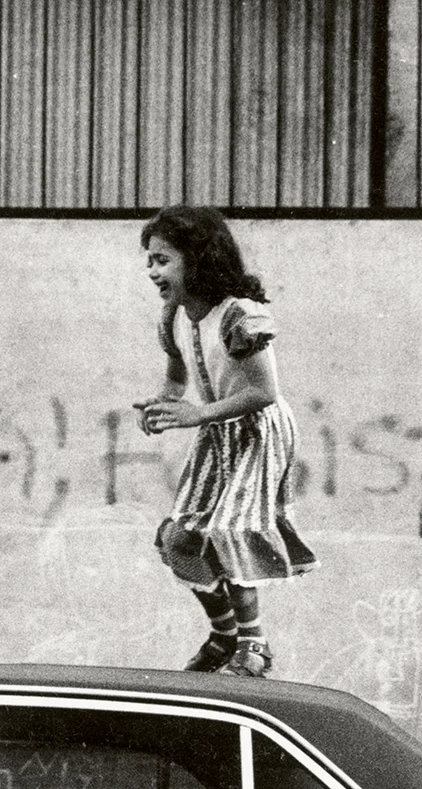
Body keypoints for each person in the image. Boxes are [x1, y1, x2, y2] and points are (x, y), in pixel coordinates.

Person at [135, 205, 314, 678]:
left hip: (258, 432)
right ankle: (224, 635)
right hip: (218, 431)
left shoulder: (239, 315)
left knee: (231, 530)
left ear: (197, 259)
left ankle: (254, 648)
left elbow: (263, 392)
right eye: (149, 261)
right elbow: (177, 377)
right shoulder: (174, 316)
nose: (152, 271)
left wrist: (197, 414)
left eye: (162, 260)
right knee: (180, 539)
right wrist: (162, 403)